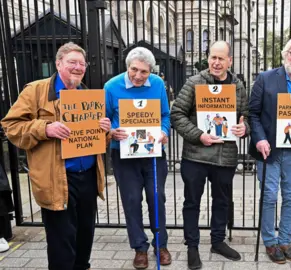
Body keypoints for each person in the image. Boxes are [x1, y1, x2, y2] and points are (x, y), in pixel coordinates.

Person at [1, 42, 111, 270]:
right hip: (56, 180)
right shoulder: (36, 90)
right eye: (72, 62)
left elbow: (94, 140)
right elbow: (11, 127)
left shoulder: (86, 95)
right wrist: (45, 128)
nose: (78, 67)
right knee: (62, 243)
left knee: (84, 238)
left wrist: (105, 130)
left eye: (82, 64)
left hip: (88, 178)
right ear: (58, 63)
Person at [170, 41, 249, 270]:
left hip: (225, 158)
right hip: (196, 156)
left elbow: (247, 116)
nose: (216, 62)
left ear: (229, 61)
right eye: (212, 57)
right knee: (192, 202)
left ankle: (217, 241)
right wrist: (199, 135)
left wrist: (245, 129)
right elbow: (177, 114)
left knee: (222, 201)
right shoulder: (194, 82)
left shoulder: (238, 86)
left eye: (221, 58)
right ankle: (192, 246)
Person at [249, 36, 291, 264]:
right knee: (269, 196)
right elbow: (253, 114)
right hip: (269, 149)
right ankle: (270, 242)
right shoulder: (265, 79)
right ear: (285, 54)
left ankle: (286, 241)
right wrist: (259, 139)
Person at [105, 47, 171, 268]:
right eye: (134, 70)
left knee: (157, 197)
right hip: (124, 154)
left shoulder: (158, 84)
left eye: (144, 71)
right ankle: (139, 248)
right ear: (127, 67)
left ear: (151, 70)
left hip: (153, 153)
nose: (139, 76)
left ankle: (160, 245)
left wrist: (164, 132)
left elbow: (165, 115)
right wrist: (111, 133)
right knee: (131, 200)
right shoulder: (111, 86)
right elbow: (103, 120)